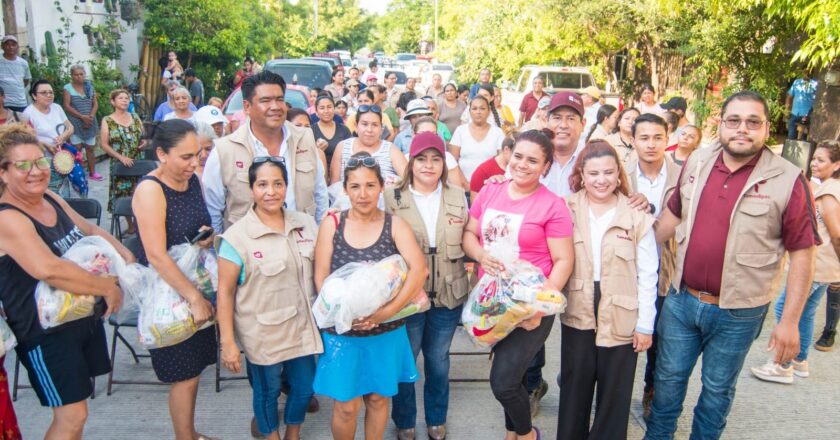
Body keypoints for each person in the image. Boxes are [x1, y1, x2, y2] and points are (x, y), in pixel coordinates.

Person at [646, 91, 819, 440]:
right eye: (734, 120)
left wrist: (790, 322)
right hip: (681, 301)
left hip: (739, 313)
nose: (743, 129)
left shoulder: (788, 179)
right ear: (721, 124)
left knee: (716, 395)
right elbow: (671, 217)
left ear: (766, 128)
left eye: (753, 122)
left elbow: (803, 254)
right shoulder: (697, 162)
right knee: (665, 388)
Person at [0, 122, 132, 438]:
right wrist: (107, 288)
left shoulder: (50, 198)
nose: (35, 171)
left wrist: (129, 261)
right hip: (44, 333)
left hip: (78, 317)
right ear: (3, 173)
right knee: (71, 416)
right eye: (22, 165)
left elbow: (91, 230)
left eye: (40, 161)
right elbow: (49, 269)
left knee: (78, 412)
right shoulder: (8, 217)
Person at [464, 129, 574, 440]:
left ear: (546, 167)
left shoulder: (553, 205)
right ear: (509, 155)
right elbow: (470, 234)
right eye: (518, 156)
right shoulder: (491, 191)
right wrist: (481, 255)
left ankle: (526, 435)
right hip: (492, 303)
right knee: (513, 376)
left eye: (533, 160)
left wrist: (539, 308)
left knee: (502, 381)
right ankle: (511, 433)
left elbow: (564, 260)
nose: (523, 164)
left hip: (529, 308)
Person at [313, 152, 427, 440]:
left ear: (381, 187)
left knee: (377, 399)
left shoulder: (394, 225)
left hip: (385, 331)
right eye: (355, 186)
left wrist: (384, 313)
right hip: (343, 333)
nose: (363, 194)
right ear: (345, 189)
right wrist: (345, 313)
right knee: (346, 406)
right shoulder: (332, 224)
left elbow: (419, 271)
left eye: (370, 186)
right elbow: (321, 276)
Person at [216, 157, 322, 440]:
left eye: (278, 183)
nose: (271, 191)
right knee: (267, 391)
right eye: (262, 184)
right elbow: (224, 295)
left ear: (286, 186)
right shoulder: (236, 239)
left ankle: (293, 432)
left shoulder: (306, 224)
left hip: (301, 329)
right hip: (262, 334)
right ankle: (271, 435)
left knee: (305, 386)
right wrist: (228, 342)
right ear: (251, 189)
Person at [558, 139, 657, 440]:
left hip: (623, 310)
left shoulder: (636, 214)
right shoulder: (566, 208)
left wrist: (645, 325)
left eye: (608, 173)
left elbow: (648, 272)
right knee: (575, 387)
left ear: (618, 175)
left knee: (616, 392)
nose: (601, 180)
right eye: (593, 174)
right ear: (582, 176)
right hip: (579, 306)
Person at [132, 119, 218, 440]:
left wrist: (206, 239)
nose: (196, 163)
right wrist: (193, 298)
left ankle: (190, 433)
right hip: (169, 296)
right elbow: (156, 254)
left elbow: (194, 227)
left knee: (193, 372)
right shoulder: (150, 190)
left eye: (198, 154)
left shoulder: (191, 179)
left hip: (196, 283)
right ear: (161, 154)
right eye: (186, 157)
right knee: (184, 375)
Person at [386, 133, 470, 440]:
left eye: (436, 159)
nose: (429, 165)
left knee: (438, 360)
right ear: (410, 161)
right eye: (421, 158)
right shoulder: (391, 196)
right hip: (408, 297)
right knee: (405, 360)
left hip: (448, 294)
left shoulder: (457, 194)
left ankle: (436, 418)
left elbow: (473, 232)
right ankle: (405, 420)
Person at [751, 139, 840, 381]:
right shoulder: (827, 187)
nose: (814, 163)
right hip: (826, 268)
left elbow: (836, 235)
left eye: (821, 160)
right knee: (808, 313)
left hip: (818, 266)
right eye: (814, 158)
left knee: (787, 310)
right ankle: (800, 361)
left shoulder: (830, 194)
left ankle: (783, 364)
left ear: (836, 165)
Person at [203, 71, 328, 232]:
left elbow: (320, 195)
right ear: (247, 107)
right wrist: (222, 252)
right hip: (247, 251)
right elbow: (213, 211)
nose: (275, 107)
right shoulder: (224, 150)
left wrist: (319, 241)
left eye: (279, 100)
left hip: (302, 248)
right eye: (265, 100)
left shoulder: (305, 138)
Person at [623, 113, 681, 418]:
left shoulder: (684, 175)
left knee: (661, 341)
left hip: (670, 270)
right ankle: (613, 394)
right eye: (644, 137)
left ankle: (651, 391)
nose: (651, 144)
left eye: (658, 137)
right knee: (622, 339)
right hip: (627, 272)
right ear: (633, 140)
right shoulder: (620, 173)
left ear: (667, 139)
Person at [330, 104, 407, 188]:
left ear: (381, 129)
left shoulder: (391, 150)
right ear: (356, 126)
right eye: (364, 124)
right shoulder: (342, 147)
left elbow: (408, 181)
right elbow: (334, 186)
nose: (369, 130)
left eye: (375, 125)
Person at [23, 80, 74, 193]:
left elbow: (70, 127)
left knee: (64, 190)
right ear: (34, 96)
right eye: (44, 92)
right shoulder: (28, 113)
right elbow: (26, 139)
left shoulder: (57, 108)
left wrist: (62, 137)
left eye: (51, 92)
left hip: (61, 157)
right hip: (41, 160)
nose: (49, 95)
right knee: (49, 192)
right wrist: (46, 145)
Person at [100, 89, 146, 214]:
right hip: (120, 163)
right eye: (121, 98)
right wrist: (121, 158)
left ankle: (138, 222)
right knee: (123, 195)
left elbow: (143, 136)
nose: (125, 100)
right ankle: (130, 226)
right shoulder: (107, 120)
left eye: (126, 98)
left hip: (137, 162)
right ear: (113, 102)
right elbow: (104, 144)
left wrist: (144, 143)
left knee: (140, 194)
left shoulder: (135, 117)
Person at [449, 95, 505, 184]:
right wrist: (465, 184)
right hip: (463, 186)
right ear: (469, 111)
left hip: (488, 186)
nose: (478, 112)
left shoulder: (498, 133)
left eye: (482, 108)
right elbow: (452, 161)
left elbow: (503, 162)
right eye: (474, 109)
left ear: (489, 111)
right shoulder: (460, 131)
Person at [63, 65, 101, 181]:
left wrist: (90, 117)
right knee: (77, 148)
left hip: (90, 122)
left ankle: (92, 172)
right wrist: (81, 117)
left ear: (84, 74)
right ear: (72, 75)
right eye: (76, 74)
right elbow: (67, 106)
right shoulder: (68, 88)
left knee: (90, 148)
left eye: (81, 74)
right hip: (75, 122)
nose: (79, 76)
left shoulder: (89, 87)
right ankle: (78, 173)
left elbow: (95, 104)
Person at [412, 116, 467, 190]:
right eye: (423, 134)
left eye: (433, 134)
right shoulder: (404, 159)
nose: (428, 138)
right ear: (414, 135)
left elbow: (457, 189)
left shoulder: (448, 158)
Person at [312, 95, 352, 168]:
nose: (326, 111)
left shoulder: (344, 130)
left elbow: (351, 153)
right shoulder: (311, 131)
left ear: (334, 109)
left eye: (329, 107)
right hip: (319, 172)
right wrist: (317, 150)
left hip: (341, 171)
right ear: (316, 112)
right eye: (322, 108)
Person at [470, 136, 514, 201]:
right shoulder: (483, 170)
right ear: (506, 149)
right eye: (517, 155)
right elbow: (474, 204)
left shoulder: (520, 170)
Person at [0, 35, 31, 112]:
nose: (11, 47)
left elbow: (26, 81)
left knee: (20, 124)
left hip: (20, 103)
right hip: (3, 103)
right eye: (7, 44)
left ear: (17, 47)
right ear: (2, 46)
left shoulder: (23, 63)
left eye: (13, 45)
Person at [784, 72, 818, 140]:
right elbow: (789, 97)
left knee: (803, 139)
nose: (807, 73)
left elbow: (817, 100)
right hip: (795, 113)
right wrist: (786, 110)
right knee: (791, 137)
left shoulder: (815, 84)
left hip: (806, 115)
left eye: (809, 71)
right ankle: (791, 150)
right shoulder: (797, 82)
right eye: (805, 71)